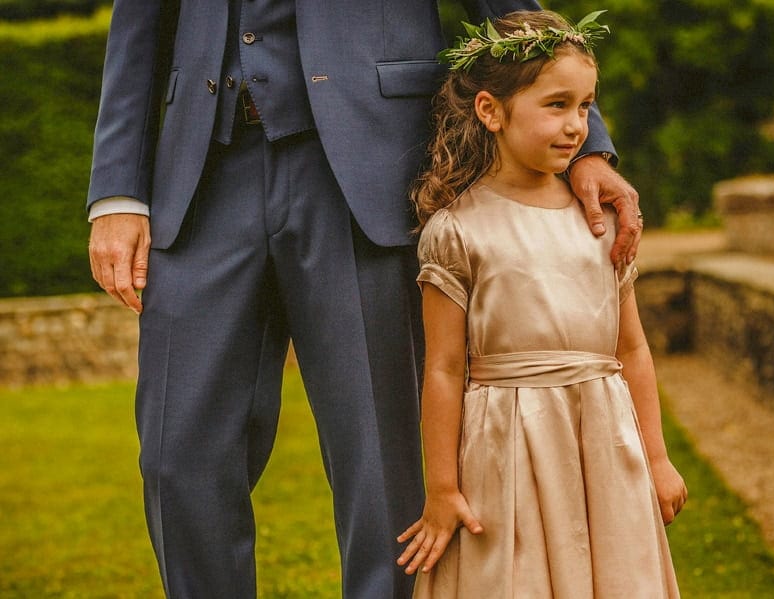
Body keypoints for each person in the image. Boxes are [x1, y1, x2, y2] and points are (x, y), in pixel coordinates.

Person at [86, 1, 641, 597]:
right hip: (201, 175)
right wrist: (117, 190)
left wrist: (587, 147)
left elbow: (510, 5)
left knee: (382, 461)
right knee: (177, 458)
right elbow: (138, 28)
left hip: (366, 171)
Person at [396, 10, 687, 597]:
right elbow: (445, 369)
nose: (577, 125)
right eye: (556, 105)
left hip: (603, 438)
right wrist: (443, 488)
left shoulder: (598, 221)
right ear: (490, 110)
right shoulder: (457, 231)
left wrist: (656, 458)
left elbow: (631, 346)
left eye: (585, 106)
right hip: (506, 446)